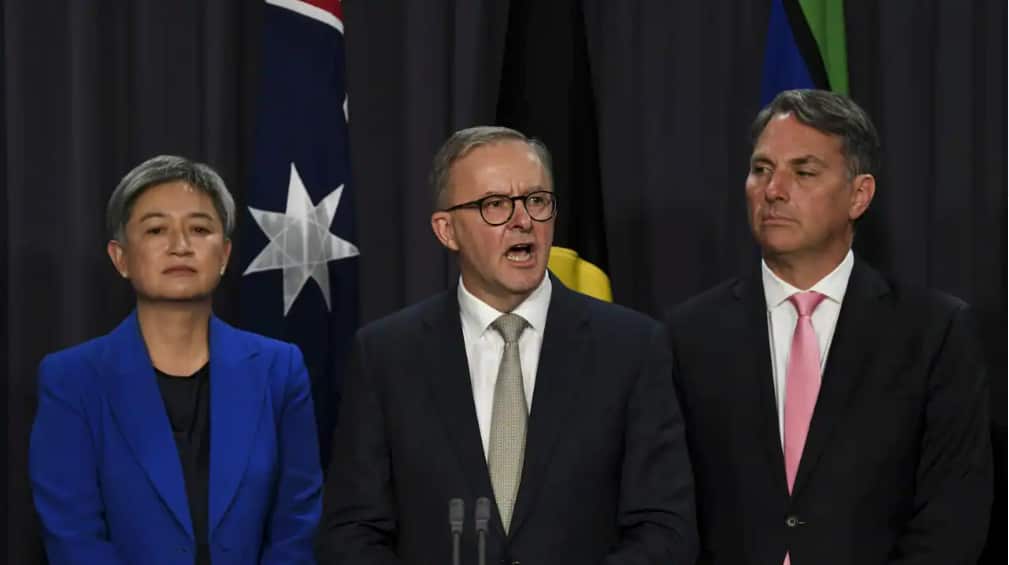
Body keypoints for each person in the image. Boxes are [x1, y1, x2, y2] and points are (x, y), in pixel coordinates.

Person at [316, 126, 697, 564]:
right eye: (495, 204)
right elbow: (351, 532)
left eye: (537, 201)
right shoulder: (385, 356)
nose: (523, 221)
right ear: (446, 230)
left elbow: (666, 529)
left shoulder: (632, 348)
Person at [664, 89, 992, 564]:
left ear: (859, 195)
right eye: (761, 169)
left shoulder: (935, 333)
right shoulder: (688, 334)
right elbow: (667, 509)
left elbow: (952, 518)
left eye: (803, 172)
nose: (773, 190)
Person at [30, 155, 323, 565]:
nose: (180, 246)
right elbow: (74, 537)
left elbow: (297, 523)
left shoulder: (280, 369)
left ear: (223, 255)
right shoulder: (71, 379)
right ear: (120, 258)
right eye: (156, 230)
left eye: (199, 229)